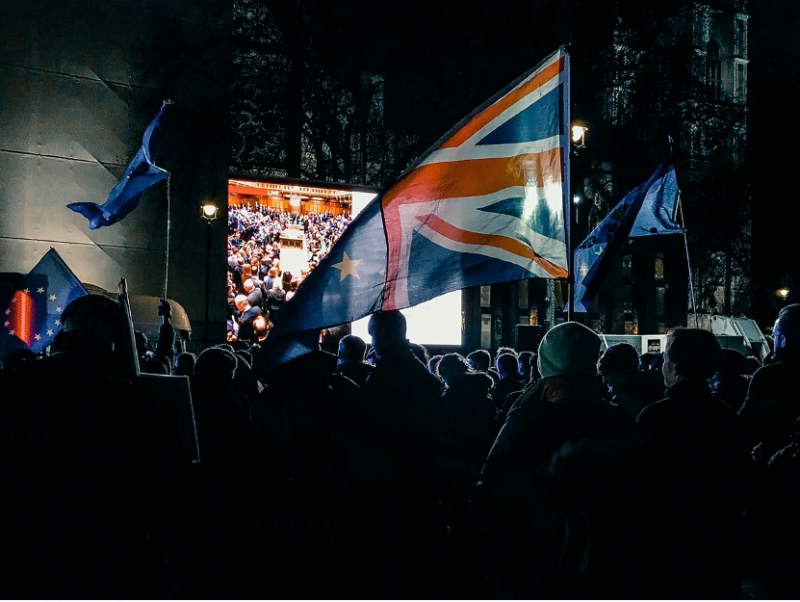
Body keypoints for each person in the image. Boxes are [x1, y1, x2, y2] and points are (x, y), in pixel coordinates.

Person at [471, 322, 645, 600]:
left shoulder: (527, 419)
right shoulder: (618, 420)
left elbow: (491, 490)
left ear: (545, 364)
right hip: (601, 565)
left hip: (529, 562)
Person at [637, 327, 748, 601]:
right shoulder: (726, 417)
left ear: (673, 366)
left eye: (664, 359)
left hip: (668, 540)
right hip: (718, 542)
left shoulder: (656, 416)